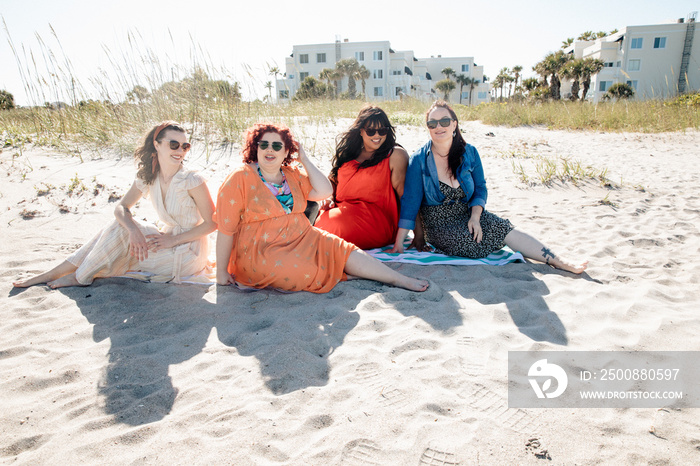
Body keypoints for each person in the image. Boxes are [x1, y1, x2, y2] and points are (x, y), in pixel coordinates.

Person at [215, 123, 429, 293]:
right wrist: (221, 272)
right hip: (263, 249)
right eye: (264, 144)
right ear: (256, 147)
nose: (270, 150)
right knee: (294, 269)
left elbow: (325, 191)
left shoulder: (291, 174)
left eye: (277, 146)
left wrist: (305, 160)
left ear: (286, 150)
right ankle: (346, 275)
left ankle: (399, 279)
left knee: (346, 251)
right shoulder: (240, 178)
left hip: (304, 238)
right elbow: (226, 229)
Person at [391, 101, 588, 274]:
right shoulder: (419, 160)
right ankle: (494, 240)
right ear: (428, 128)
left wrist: (476, 217)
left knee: (506, 228)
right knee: (471, 242)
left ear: (454, 124)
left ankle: (559, 261)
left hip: (469, 214)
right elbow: (411, 201)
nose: (438, 127)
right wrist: (399, 243)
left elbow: (480, 189)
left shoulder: (470, 153)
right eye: (432, 123)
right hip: (439, 224)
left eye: (444, 121)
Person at [13, 121, 217, 288]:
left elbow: (212, 223)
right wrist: (134, 231)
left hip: (188, 253)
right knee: (121, 226)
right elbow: (121, 208)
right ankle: (55, 273)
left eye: (185, 146)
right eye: (174, 144)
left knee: (118, 232)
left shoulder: (192, 180)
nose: (180, 151)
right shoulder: (149, 177)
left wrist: (173, 241)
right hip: (164, 240)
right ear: (157, 144)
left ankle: (78, 276)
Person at [314, 105, 408, 249]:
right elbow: (333, 181)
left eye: (382, 130)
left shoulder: (394, 155)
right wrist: (329, 198)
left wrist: (417, 234)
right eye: (371, 131)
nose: (377, 135)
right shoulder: (349, 154)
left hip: (377, 222)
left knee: (327, 229)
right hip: (342, 212)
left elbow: (407, 197)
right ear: (361, 132)